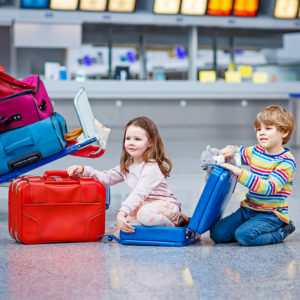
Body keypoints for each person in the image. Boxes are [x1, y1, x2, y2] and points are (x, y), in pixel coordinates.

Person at [67, 116, 188, 234]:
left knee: (142, 215)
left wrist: (122, 212)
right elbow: (107, 178)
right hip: (146, 206)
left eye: (137, 139)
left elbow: (139, 193)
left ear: (150, 142)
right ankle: (158, 224)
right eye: (128, 138)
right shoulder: (128, 164)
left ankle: (175, 226)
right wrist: (84, 170)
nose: (131, 143)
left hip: (166, 206)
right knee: (128, 225)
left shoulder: (151, 167)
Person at [210, 105, 296, 246]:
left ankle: (283, 230)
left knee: (244, 236)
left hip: (271, 214)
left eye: (268, 129)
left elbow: (269, 188)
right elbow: (238, 151)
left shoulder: (286, 162)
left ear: (284, 132)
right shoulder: (256, 151)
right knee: (217, 234)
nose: (261, 133)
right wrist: (230, 149)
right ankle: (250, 224)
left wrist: (239, 172)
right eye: (258, 129)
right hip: (248, 208)